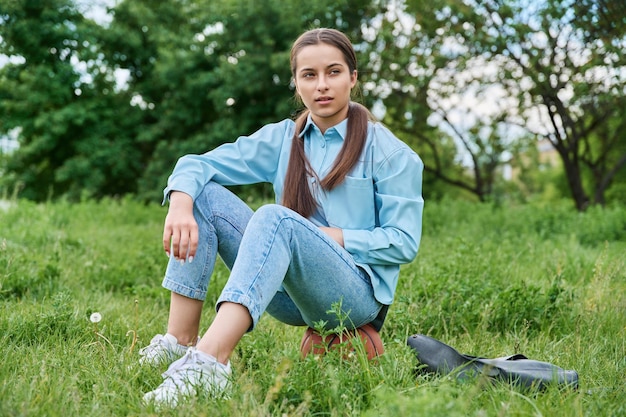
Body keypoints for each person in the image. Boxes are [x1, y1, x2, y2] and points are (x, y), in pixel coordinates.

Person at [140, 27, 424, 406]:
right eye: (309, 75)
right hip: (288, 294)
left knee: (277, 218)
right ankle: (180, 343)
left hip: (355, 296)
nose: (322, 85)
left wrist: (330, 236)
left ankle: (208, 364)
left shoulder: (390, 153)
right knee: (201, 194)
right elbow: (197, 164)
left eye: (334, 72)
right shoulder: (281, 139)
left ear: (353, 78)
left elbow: (404, 242)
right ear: (297, 83)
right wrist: (179, 204)